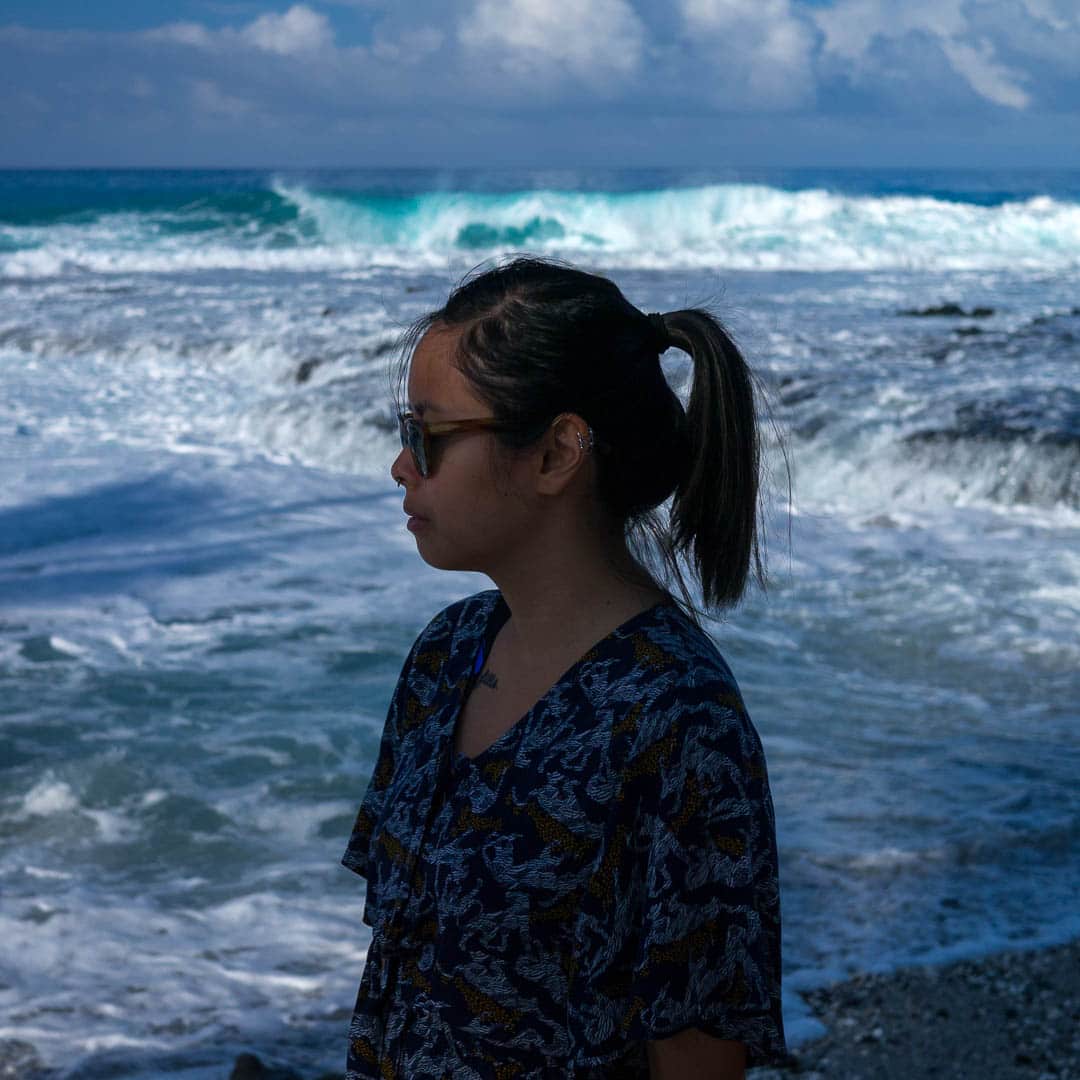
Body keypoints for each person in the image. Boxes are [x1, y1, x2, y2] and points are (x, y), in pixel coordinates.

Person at [341, 257, 786, 1079]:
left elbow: (699, 1054)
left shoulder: (679, 720)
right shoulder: (445, 656)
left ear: (557, 454)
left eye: (427, 437)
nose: (401, 466)